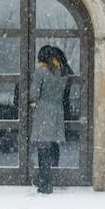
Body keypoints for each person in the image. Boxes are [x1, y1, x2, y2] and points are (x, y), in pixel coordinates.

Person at [29, 45, 68, 194]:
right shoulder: (62, 72)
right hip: (57, 111)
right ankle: (48, 178)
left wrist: (34, 102)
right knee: (51, 146)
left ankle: (44, 182)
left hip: (43, 112)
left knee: (43, 148)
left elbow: (34, 93)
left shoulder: (41, 71)